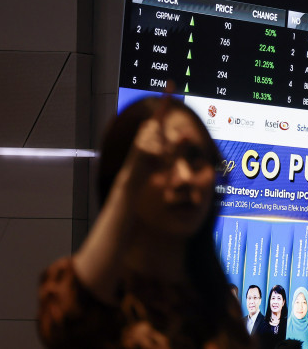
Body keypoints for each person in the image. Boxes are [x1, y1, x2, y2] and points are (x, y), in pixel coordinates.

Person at [37, 96, 250, 348]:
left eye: (195, 159)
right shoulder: (103, 291)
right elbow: (68, 320)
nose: (184, 178)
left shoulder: (218, 301)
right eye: (159, 161)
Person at [256, 284, 288, 349]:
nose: (275, 302)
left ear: (283, 302)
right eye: (273, 298)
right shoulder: (261, 324)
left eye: (279, 298)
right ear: (269, 301)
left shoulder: (287, 325)